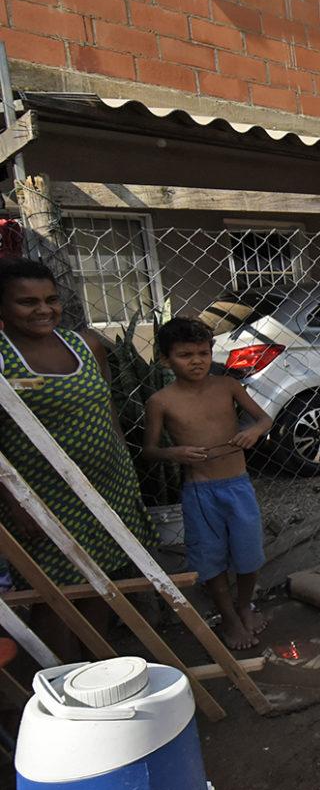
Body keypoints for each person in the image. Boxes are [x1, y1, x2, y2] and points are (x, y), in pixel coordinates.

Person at [0, 258, 156, 661]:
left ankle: (98, 667)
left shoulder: (85, 344)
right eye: (26, 302)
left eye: (50, 299)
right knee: (55, 593)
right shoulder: (3, 357)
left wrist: (123, 463)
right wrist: (16, 502)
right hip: (43, 496)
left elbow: (106, 407)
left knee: (102, 581)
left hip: (107, 486)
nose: (43, 309)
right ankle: (63, 678)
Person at [143, 317, 273, 650]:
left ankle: (245, 605)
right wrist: (176, 452)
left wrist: (253, 432)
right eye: (186, 355)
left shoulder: (227, 386)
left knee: (249, 554)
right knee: (210, 559)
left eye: (203, 352)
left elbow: (264, 418)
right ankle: (228, 617)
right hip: (200, 492)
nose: (197, 361)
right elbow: (150, 450)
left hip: (238, 484)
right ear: (165, 360)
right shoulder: (161, 401)